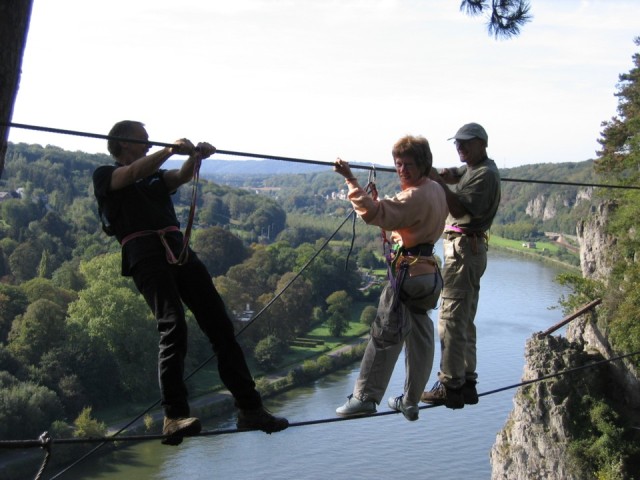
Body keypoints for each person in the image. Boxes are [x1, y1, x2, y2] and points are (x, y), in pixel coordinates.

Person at [92, 120, 288, 445]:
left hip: (178, 250)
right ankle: (173, 415)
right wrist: (168, 149)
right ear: (124, 143)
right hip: (145, 254)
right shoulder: (104, 175)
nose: (149, 145)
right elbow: (129, 175)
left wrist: (194, 159)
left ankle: (250, 408)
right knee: (173, 325)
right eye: (144, 141)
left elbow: (178, 177)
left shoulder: (153, 177)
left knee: (221, 327)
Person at [333, 135, 448, 421]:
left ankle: (364, 397)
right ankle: (410, 401)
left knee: (385, 335)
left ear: (423, 164)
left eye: (409, 164)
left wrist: (350, 180)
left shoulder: (414, 196)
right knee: (420, 335)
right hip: (430, 275)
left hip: (407, 275)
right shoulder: (436, 189)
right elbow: (398, 212)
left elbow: (373, 213)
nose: (402, 170)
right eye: (398, 164)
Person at [421, 122, 501, 409]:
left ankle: (450, 384)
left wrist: (438, 183)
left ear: (482, 143)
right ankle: (466, 381)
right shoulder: (474, 169)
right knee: (464, 317)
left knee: (451, 318)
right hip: (470, 249)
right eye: (457, 143)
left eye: (466, 143)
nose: (460, 148)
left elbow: (458, 208)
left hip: (463, 250)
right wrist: (433, 172)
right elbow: (453, 174)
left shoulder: (484, 176)